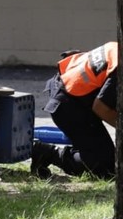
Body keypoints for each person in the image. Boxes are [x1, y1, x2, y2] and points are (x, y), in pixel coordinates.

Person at [30, 42, 118, 179]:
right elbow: (101, 107)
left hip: (71, 92)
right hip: (68, 103)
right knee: (104, 168)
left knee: (106, 157)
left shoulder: (121, 48)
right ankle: (46, 152)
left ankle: (89, 152)